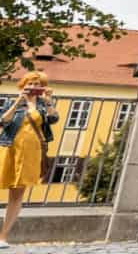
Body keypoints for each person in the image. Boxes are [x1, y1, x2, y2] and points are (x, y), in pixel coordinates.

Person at [0, 71, 57, 249]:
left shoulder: (42, 104)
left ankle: (2, 237)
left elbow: (53, 119)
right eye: (30, 83)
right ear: (23, 84)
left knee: (16, 195)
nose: (33, 86)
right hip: (9, 149)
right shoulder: (13, 102)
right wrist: (19, 101)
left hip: (31, 152)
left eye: (37, 83)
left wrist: (49, 103)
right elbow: (3, 121)